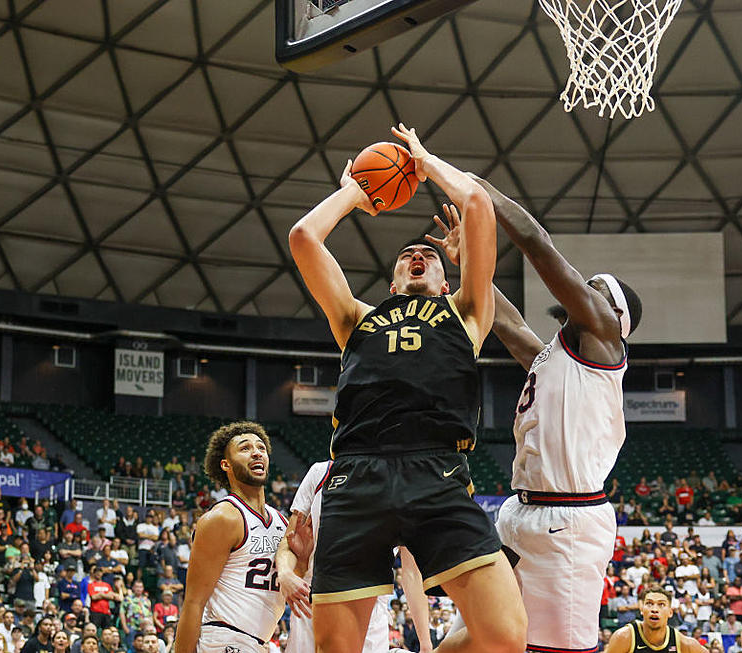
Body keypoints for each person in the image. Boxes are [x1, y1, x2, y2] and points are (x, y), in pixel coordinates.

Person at [288, 124, 525, 653]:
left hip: (437, 471)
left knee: (507, 640)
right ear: (393, 285)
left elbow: (478, 205)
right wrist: (356, 191)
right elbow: (303, 238)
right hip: (357, 474)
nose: (418, 254)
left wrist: (422, 160)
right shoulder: (355, 318)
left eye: (430, 255)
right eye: (406, 256)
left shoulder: (466, 311)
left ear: (447, 281)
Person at [429, 173, 640, 653]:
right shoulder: (553, 357)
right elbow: (506, 322)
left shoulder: (605, 344)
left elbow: (536, 242)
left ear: (614, 317)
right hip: (520, 514)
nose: (580, 292)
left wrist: (480, 192)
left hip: (568, 525)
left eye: (593, 291)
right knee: (473, 640)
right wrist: (470, 266)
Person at [173, 422, 310, 653]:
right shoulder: (223, 518)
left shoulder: (281, 521)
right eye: (245, 448)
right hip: (223, 639)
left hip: (257, 643)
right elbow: (193, 602)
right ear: (226, 464)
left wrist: (303, 559)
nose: (257, 452)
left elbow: (289, 584)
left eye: (261, 448)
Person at [273, 461, 431, 653]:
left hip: (370, 605)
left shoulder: (403, 480)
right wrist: (285, 572)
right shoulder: (321, 472)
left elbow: (412, 573)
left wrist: (426, 644)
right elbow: (291, 540)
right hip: (313, 598)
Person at [602, 585, 709, 653]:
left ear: (670, 612)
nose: (654, 609)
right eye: (649, 603)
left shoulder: (683, 643)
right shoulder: (624, 637)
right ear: (641, 610)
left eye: (661, 604)